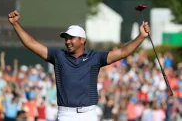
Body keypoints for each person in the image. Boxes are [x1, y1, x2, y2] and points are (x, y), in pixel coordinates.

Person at [8, 10, 150, 121]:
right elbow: (31, 44)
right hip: (65, 115)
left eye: (71, 38)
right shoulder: (59, 56)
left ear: (82, 40)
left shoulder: (95, 57)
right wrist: (15, 24)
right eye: (66, 38)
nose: (67, 41)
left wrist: (141, 36)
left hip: (89, 114)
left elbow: (123, 52)